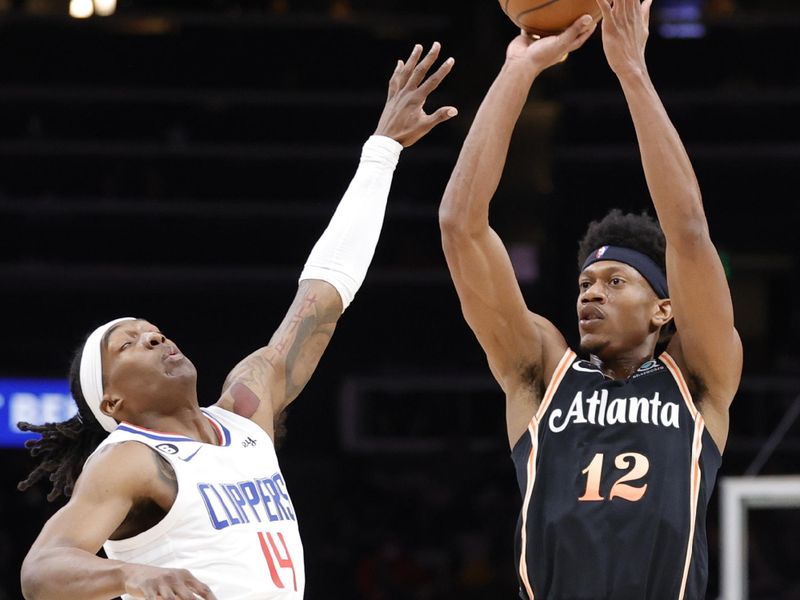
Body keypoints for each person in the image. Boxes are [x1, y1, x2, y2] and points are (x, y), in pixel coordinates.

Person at [18, 41, 457, 600]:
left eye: (150, 328)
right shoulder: (130, 459)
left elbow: (321, 298)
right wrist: (129, 574)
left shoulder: (245, 415)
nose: (153, 336)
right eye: (127, 345)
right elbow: (40, 572)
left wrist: (382, 150)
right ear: (113, 404)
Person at [438, 2, 741, 599]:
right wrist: (517, 72)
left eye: (615, 282)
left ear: (664, 309)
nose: (590, 294)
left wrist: (632, 70)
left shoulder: (697, 380)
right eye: (584, 283)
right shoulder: (541, 373)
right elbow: (460, 225)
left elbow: (687, 230)